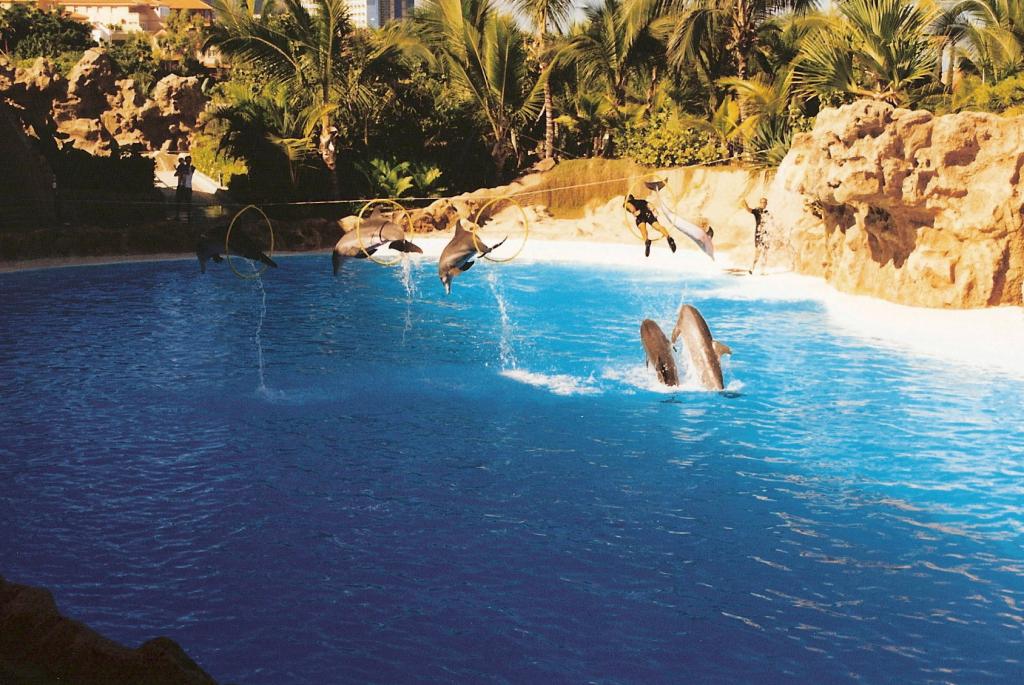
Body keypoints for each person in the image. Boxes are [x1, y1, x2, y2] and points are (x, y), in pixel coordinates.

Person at [744, 196, 769, 273]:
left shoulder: (767, 213)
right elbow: (749, 210)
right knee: (758, 252)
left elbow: (771, 224)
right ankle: (752, 268)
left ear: (766, 204)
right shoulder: (757, 211)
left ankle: (762, 270)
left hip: (766, 235)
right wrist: (744, 203)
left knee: (765, 252)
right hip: (758, 234)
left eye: (765, 202)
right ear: (760, 203)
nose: (763, 204)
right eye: (762, 202)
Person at [174, 155, 195, 222]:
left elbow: (187, 172)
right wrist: (179, 169)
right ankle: (177, 215)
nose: (189, 161)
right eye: (187, 160)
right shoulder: (182, 167)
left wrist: (179, 169)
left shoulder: (191, 167)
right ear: (185, 161)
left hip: (188, 187)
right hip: (181, 186)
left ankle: (189, 216)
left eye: (190, 160)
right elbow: (176, 174)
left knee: (188, 202)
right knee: (178, 201)